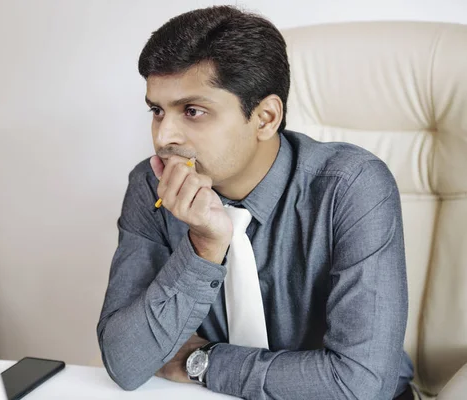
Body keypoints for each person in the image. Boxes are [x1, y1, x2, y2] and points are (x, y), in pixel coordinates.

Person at [97, 5, 414, 399]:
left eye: (192, 111)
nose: (164, 136)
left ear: (265, 118)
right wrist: (204, 247)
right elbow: (125, 364)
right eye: (157, 111)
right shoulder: (152, 185)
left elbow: (359, 385)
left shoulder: (352, 186)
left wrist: (204, 361)